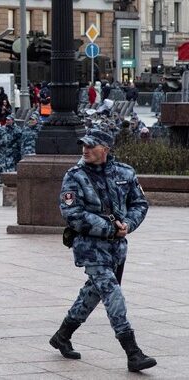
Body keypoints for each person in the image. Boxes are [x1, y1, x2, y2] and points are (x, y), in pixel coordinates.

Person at [51, 128, 156, 373]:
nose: (85, 150)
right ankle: (133, 352)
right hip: (90, 246)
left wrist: (127, 225)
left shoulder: (125, 172)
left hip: (117, 247)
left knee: (94, 292)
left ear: (106, 149)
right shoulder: (74, 176)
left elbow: (139, 203)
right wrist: (109, 228)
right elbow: (72, 214)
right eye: (83, 146)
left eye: (91, 146)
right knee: (112, 293)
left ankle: (62, 335)